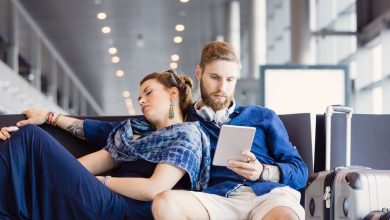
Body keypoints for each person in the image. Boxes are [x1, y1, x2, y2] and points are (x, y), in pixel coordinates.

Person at [0, 70, 210, 219]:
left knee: (29, 135)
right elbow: (79, 168)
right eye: (139, 97)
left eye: (148, 92)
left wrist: (103, 181)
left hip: (127, 210)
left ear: (173, 93)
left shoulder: (187, 134)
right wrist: (35, 160)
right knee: (20, 138)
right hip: (103, 199)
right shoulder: (131, 133)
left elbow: (154, 189)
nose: (141, 100)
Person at [151, 41, 308, 220]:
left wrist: (262, 171)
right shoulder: (185, 121)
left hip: (267, 196)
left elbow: (300, 172)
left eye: (229, 80)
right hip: (216, 200)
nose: (222, 88)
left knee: (286, 216)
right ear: (199, 73)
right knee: (165, 203)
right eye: (215, 77)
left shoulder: (263, 116)